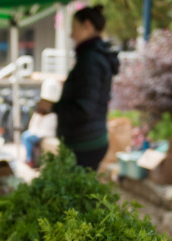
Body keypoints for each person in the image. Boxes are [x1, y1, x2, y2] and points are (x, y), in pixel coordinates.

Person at [50, 5, 119, 170]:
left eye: (74, 28)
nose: (71, 35)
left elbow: (84, 109)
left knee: (77, 192)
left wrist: (53, 107)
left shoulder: (90, 60)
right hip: (89, 138)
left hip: (85, 142)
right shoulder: (94, 56)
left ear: (87, 26)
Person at [21, 79, 61, 168]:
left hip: (44, 133)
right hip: (39, 132)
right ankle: (29, 158)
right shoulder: (42, 111)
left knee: (26, 137)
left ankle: (29, 159)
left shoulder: (52, 113)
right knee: (25, 136)